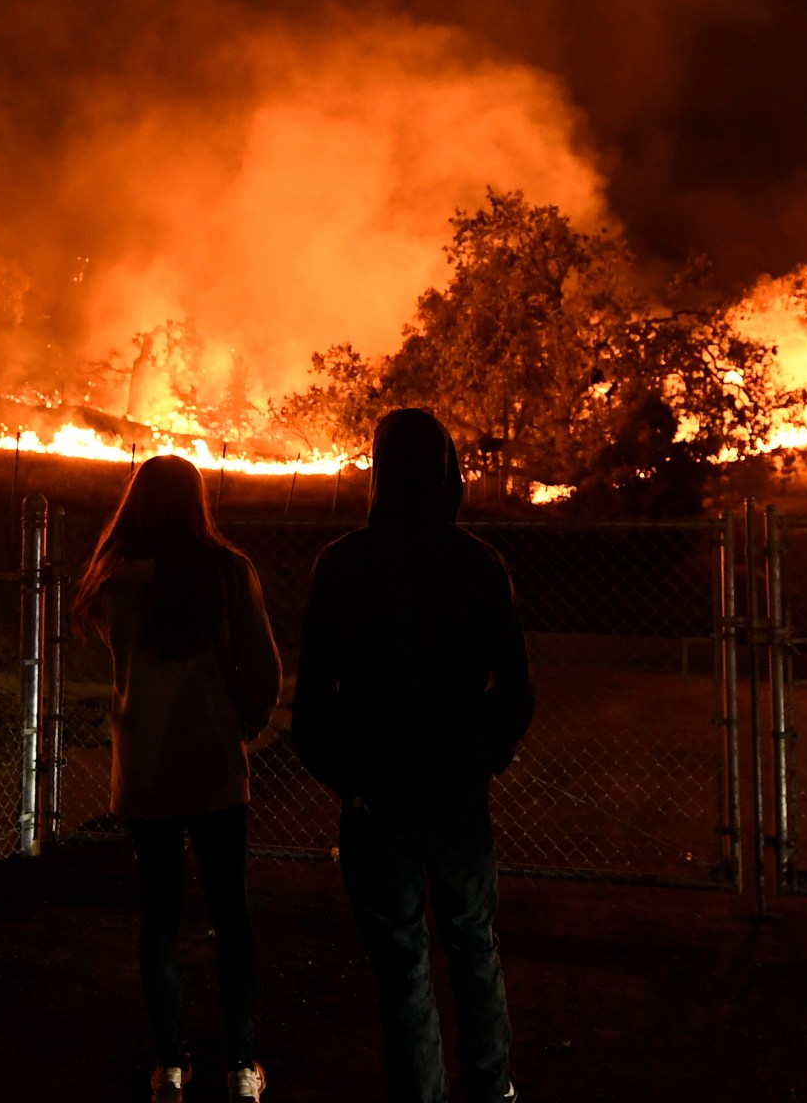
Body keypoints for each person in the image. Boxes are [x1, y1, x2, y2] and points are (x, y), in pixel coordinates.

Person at [290, 408, 535, 1103]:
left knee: (401, 963)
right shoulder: (479, 564)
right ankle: (492, 1090)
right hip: (456, 796)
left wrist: (353, 780)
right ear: (448, 472)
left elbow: (310, 706)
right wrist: (484, 755)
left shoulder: (341, 566)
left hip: (379, 800)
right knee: (473, 945)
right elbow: (516, 691)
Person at [77, 454, 283, 1103]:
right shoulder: (228, 572)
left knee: (159, 916)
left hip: (147, 770)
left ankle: (170, 1064)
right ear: (198, 505)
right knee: (232, 911)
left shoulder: (114, 583)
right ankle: (243, 1066)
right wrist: (241, 724)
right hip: (217, 766)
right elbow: (267, 671)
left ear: (137, 506)